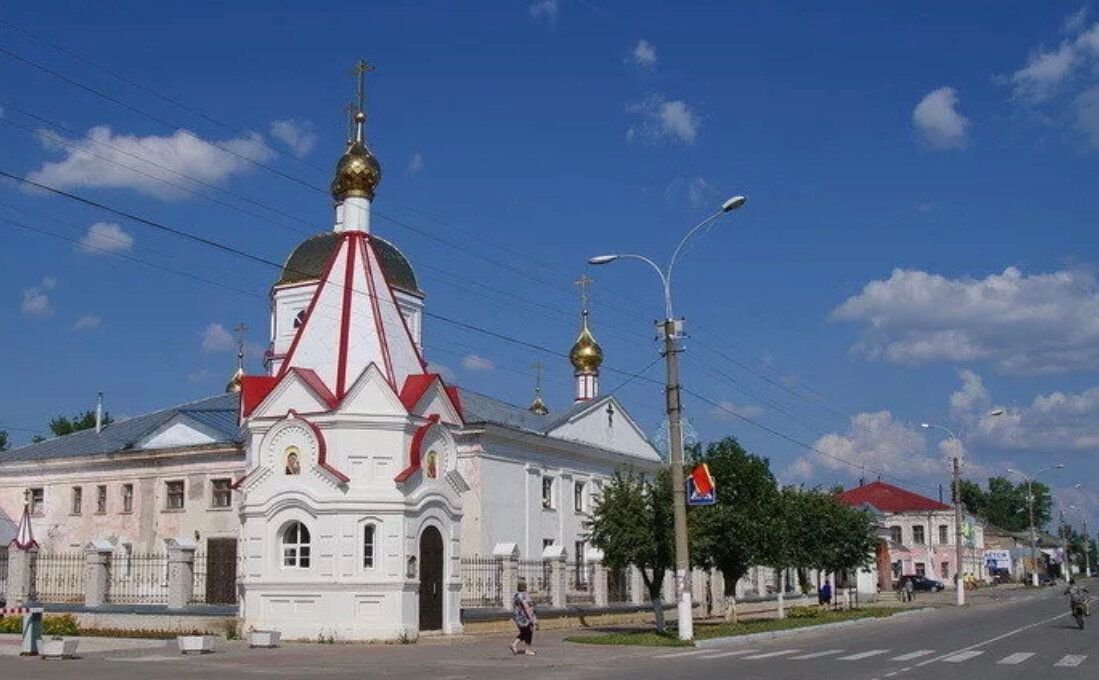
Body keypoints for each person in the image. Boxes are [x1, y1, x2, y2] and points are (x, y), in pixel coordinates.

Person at [510, 579, 537, 656]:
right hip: (525, 617)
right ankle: (527, 650)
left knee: (524, 632)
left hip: (518, 617)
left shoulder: (516, 595)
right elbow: (526, 607)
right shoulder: (523, 595)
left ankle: (514, 644)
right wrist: (531, 618)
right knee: (529, 632)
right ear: (524, 587)